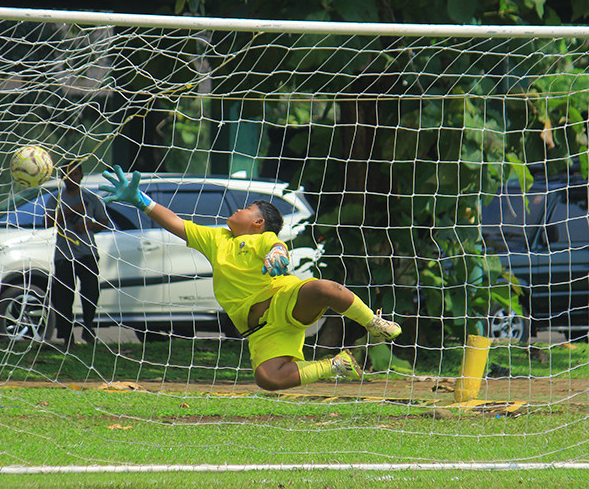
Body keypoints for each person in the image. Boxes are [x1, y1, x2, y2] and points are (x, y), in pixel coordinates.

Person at [100, 167, 401, 391]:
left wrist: (277, 255)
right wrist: (141, 201)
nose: (238, 209)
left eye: (246, 208)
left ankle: (373, 323)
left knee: (324, 288)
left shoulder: (260, 239)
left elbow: (275, 245)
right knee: (267, 379)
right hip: (262, 331)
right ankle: (336, 365)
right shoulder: (215, 238)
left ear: (257, 223)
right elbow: (177, 223)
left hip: (285, 301)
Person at [44, 160, 114, 349]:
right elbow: (48, 222)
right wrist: (70, 211)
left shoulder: (91, 198)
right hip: (64, 254)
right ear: (61, 178)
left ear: (81, 175)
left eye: (75, 174)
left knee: (91, 291)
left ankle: (88, 328)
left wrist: (89, 225)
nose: (71, 178)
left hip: (87, 252)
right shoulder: (56, 199)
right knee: (64, 295)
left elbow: (104, 222)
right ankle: (67, 337)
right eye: (66, 174)